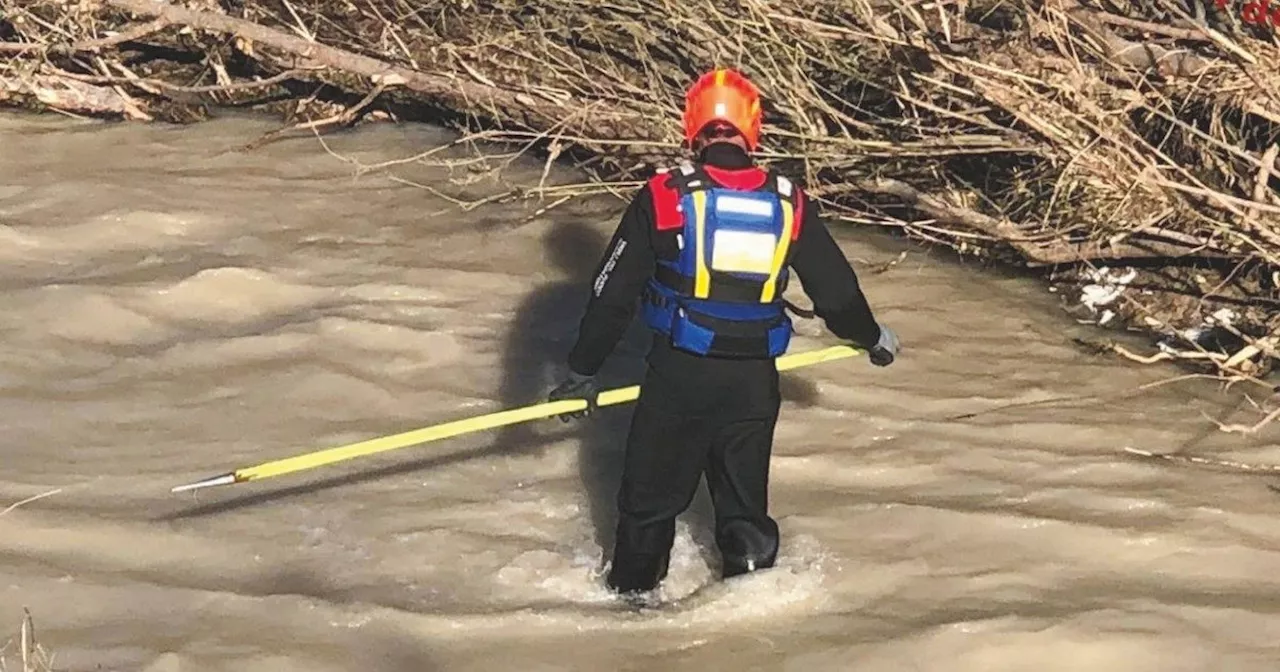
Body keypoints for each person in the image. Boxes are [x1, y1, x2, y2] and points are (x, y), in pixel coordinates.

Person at [547, 68, 900, 597]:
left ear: (693, 130)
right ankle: (751, 603)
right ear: (752, 130)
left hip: (679, 377)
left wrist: (581, 370)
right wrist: (871, 337)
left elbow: (611, 293)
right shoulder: (790, 200)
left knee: (648, 508)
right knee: (743, 512)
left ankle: (632, 623)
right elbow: (837, 292)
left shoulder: (666, 195)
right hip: (754, 383)